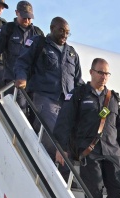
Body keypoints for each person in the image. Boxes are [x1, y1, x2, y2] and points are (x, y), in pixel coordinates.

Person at [54, 57, 120, 198]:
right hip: (89, 152)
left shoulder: (114, 99)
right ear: (91, 72)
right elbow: (64, 121)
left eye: (107, 73)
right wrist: (62, 148)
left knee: (118, 192)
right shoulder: (80, 94)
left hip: (112, 152)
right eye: (100, 72)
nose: (104, 77)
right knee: (94, 191)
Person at [13, 17, 81, 158]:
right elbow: (22, 62)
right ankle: (56, 169)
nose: (64, 35)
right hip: (44, 98)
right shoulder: (39, 43)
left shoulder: (72, 53)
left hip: (66, 103)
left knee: (72, 137)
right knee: (53, 135)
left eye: (68, 32)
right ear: (52, 28)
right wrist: (21, 77)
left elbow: (78, 81)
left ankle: (64, 169)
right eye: (61, 30)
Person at [0, 1, 42, 91]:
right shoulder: (8, 28)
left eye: (29, 18)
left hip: (31, 81)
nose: (27, 20)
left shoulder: (37, 33)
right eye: (24, 17)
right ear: (17, 13)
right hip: (12, 79)